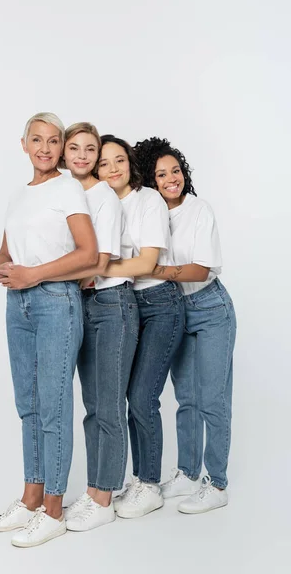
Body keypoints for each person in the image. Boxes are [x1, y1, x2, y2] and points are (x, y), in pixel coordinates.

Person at [0, 112, 98, 547]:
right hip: (19, 304)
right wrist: (1, 266)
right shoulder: (18, 195)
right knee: (28, 405)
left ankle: (53, 508)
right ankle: (31, 497)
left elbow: (87, 254)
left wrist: (35, 275)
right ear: (24, 144)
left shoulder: (67, 187)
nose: (46, 148)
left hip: (55, 303)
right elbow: (6, 248)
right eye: (38, 140)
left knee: (52, 406)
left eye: (54, 141)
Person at [134, 136, 236, 514]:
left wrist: (157, 269)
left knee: (212, 399)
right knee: (187, 399)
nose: (170, 178)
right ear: (151, 180)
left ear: (184, 173)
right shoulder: (152, 212)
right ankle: (188, 473)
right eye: (161, 174)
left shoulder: (199, 209)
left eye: (175, 170)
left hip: (210, 307)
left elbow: (201, 268)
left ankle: (218, 482)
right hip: (176, 309)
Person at [97, 135, 185, 519]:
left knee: (143, 397)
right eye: (104, 163)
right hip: (129, 305)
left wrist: (95, 269)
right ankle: (139, 478)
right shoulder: (102, 203)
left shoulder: (147, 199)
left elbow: (147, 264)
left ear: (131, 163)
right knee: (127, 398)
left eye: (119, 160)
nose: (113, 168)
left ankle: (149, 485)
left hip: (162, 303)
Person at [58, 123, 139, 532]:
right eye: (76, 148)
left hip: (112, 305)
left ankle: (105, 496)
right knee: (92, 406)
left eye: (91, 149)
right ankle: (93, 490)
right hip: (85, 303)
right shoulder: (65, 194)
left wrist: (50, 278)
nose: (84, 156)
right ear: (64, 153)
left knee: (108, 405)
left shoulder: (102, 195)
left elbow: (101, 261)